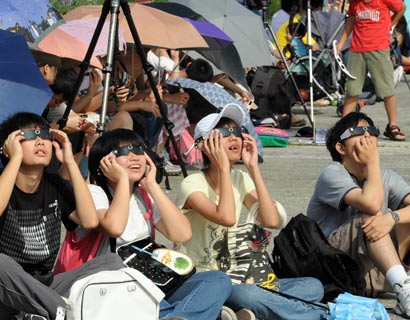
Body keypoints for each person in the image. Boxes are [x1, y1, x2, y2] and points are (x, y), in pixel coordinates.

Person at [55, 128, 233, 320]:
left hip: (151, 280)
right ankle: (197, 314)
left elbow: (182, 234)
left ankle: (181, 315)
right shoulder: (94, 193)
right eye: (124, 152)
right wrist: (122, 179)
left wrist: (152, 185)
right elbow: (114, 227)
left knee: (216, 280)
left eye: (139, 150)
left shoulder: (144, 195)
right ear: (104, 163)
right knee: (150, 301)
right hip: (103, 286)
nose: (135, 157)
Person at [0, 112, 125, 320]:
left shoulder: (54, 184)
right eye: (29, 135)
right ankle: (64, 313)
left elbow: (90, 221)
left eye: (44, 135)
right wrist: (15, 159)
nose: (40, 140)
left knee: (111, 262)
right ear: (9, 146)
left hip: (42, 287)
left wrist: (69, 162)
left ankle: (47, 311)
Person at [175, 103, 326, 319]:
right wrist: (223, 168)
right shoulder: (192, 184)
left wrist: (253, 168)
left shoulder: (241, 178)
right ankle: (317, 315)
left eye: (237, 132)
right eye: (224, 133)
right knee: (248, 295)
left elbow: (271, 220)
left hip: (241, 275)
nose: (235, 138)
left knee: (312, 286)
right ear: (203, 144)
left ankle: (239, 313)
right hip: (206, 280)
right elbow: (226, 217)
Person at [306, 112, 410, 317]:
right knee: (371, 217)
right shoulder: (332, 173)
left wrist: (393, 218)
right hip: (335, 268)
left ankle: (403, 287)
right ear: (340, 147)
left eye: (371, 131)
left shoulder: (387, 176)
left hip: (373, 271)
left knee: (400, 217)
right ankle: (404, 287)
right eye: (358, 131)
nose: (367, 137)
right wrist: (373, 163)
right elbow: (371, 205)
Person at [336, 0, 407, 141]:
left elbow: (402, 8)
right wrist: (341, 43)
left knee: (387, 90)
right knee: (352, 90)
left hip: (379, 48)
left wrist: (390, 25)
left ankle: (392, 125)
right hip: (357, 49)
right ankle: (343, 127)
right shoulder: (355, 2)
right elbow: (351, 19)